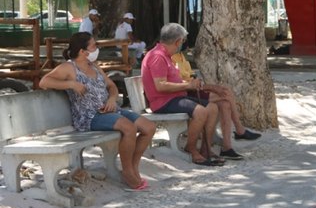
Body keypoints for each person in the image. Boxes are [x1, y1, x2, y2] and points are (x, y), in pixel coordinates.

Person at [39, 32, 156, 191]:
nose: (96, 48)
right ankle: (128, 172)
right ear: (82, 51)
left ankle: (133, 166)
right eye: (93, 45)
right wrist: (72, 84)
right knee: (129, 128)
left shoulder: (94, 66)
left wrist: (112, 99)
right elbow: (44, 81)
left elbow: (112, 86)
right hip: (89, 116)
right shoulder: (68, 67)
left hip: (111, 110)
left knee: (148, 127)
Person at [141, 23, 222, 166]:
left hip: (174, 97)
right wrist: (188, 85)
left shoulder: (165, 55)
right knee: (201, 112)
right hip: (163, 101)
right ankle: (191, 148)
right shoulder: (157, 56)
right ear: (178, 41)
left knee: (213, 108)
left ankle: (205, 148)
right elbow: (160, 86)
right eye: (182, 41)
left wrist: (189, 84)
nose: (182, 44)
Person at [171, 47, 261, 160]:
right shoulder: (170, 57)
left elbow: (190, 76)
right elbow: (181, 82)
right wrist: (208, 87)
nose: (183, 42)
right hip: (188, 91)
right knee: (226, 94)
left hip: (194, 88)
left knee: (225, 104)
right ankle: (239, 129)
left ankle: (227, 147)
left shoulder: (181, 56)